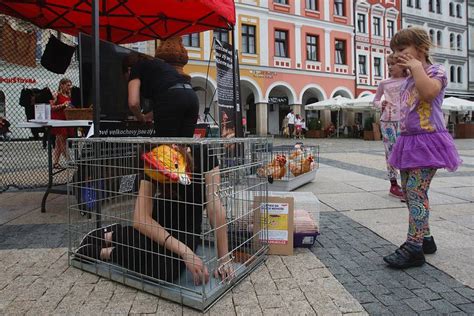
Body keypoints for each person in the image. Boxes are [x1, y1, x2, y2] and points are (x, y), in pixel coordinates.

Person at [77, 145, 235, 285]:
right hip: (156, 225)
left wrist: (224, 258)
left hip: (187, 231)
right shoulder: (155, 155)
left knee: (165, 271)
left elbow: (214, 205)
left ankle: (107, 252)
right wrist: (185, 252)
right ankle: (111, 237)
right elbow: (141, 219)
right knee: (139, 246)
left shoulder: (203, 151)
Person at [383, 27, 462, 269]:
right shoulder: (407, 79)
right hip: (409, 141)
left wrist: (417, 68)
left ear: (421, 48)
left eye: (402, 49)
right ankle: (425, 238)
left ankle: (414, 247)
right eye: (394, 51)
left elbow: (429, 93)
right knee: (409, 192)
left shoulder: (435, 71)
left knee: (416, 192)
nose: (397, 55)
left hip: (428, 142)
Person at [126, 37, 199, 137]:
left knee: (165, 146)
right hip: (191, 96)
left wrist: (140, 118)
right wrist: (148, 116)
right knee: (184, 145)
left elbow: (133, 103)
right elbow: (164, 101)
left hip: (172, 97)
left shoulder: (136, 68)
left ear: (128, 70)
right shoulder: (159, 65)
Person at [373, 53, 407, 201]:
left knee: (406, 151)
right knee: (390, 152)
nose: (390, 67)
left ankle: (407, 184)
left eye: (394, 64)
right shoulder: (384, 83)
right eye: (389, 65)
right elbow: (375, 100)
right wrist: (381, 104)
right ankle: (393, 185)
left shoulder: (409, 80)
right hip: (387, 120)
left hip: (405, 120)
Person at [50, 78, 74, 169]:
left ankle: (55, 163)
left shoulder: (69, 95)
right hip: (58, 120)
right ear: (62, 85)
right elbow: (51, 107)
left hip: (66, 120)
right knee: (62, 141)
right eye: (68, 85)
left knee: (58, 143)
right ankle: (69, 161)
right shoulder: (56, 94)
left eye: (70, 85)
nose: (69, 87)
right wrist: (63, 105)